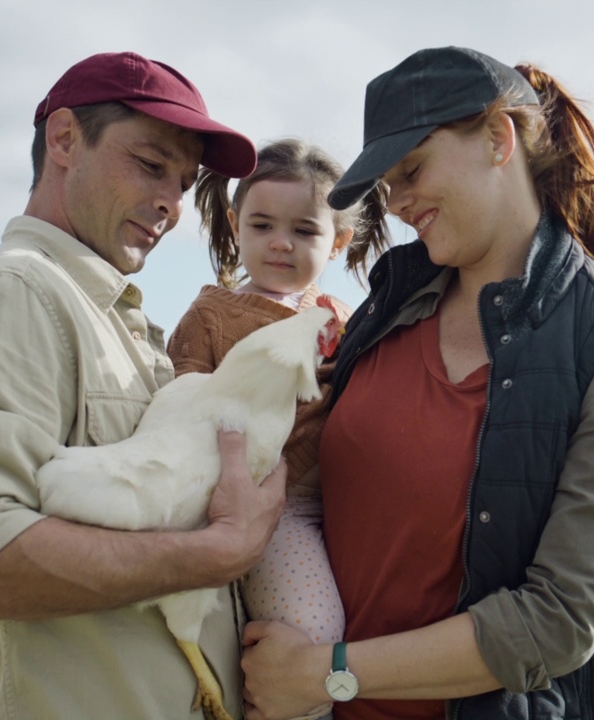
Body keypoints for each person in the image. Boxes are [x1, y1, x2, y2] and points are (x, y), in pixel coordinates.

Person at [239, 46, 594, 720]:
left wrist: (323, 674)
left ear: (499, 138)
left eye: (411, 171)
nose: (398, 204)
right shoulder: (384, 311)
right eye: (386, 186)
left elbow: (559, 620)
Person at [0, 51, 287, 720]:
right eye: (150, 163)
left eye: (185, 182)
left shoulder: (112, 319)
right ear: (66, 140)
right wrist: (215, 554)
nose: (171, 201)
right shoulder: (11, 294)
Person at [167, 138, 389, 719]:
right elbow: (181, 405)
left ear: (339, 240)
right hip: (271, 503)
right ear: (236, 225)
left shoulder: (343, 319)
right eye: (262, 225)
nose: (281, 243)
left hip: (344, 504)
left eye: (305, 231)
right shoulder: (213, 315)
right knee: (313, 634)